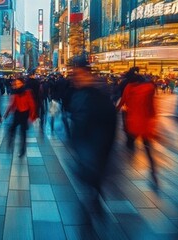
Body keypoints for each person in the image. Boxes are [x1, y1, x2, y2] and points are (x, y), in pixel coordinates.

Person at [67, 56, 117, 215]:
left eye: (80, 75)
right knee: (88, 167)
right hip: (84, 138)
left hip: (96, 138)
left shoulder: (97, 95)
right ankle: (94, 192)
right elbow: (75, 113)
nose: (77, 79)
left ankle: (95, 193)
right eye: (75, 76)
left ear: (88, 75)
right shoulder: (78, 93)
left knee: (92, 167)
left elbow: (109, 117)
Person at [116, 68, 159, 186]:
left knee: (129, 143)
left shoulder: (129, 87)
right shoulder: (149, 88)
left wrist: (115, 111)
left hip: (133, 122)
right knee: (147, 147)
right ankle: (153, 170)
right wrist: (153, 117)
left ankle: (119, 166)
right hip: (145, 122)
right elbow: (151, 106)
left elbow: (122, 101)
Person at [4, 78, 37, 158]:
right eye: (16, 83)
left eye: (19, 83)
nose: (18, 85)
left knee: (23, 133)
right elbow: (11, 103)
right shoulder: (15, 92)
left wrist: (32, 116)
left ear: (23, 84)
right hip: (17, 113)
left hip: (25, 114)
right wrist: (7, 113)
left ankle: (22, 150)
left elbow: (32, 105)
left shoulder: (27, 92)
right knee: (11, 129)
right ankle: (10, 143)